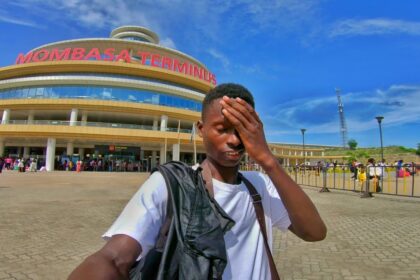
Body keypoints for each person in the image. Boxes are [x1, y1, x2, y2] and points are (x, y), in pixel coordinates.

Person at [68, 83, 327, 279]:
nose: (235, 140)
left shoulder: (258, 184)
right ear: (201, 130)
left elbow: (314, 233)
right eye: (223, 129)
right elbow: (114, 258)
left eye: (242, 130)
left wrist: (268, 160)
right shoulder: (173, 184)